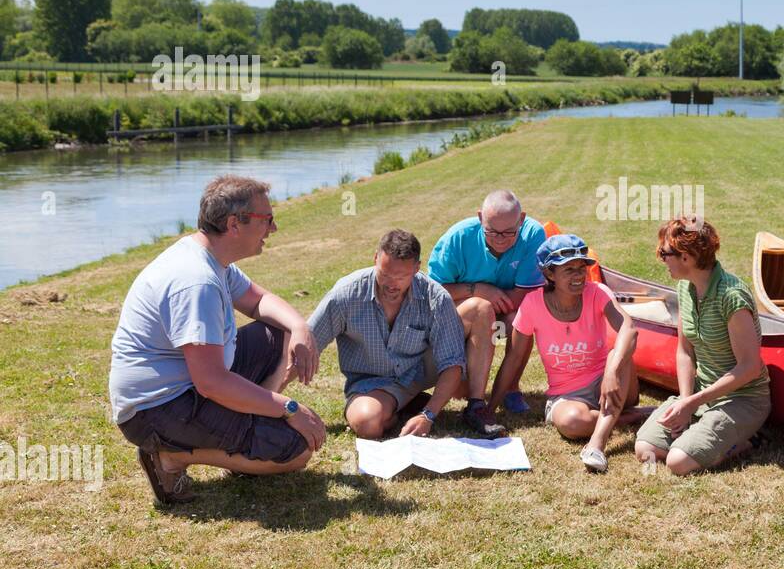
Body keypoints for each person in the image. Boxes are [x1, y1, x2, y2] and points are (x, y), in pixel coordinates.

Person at [110, 175, 325, 506]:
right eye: (266, 220)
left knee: (281, 334)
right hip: (158, 408)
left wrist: (299, 327)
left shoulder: (213, 259)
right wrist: (288, 408)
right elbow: (210, 382)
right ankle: (171, 457)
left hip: (192, 385)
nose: (273, 228)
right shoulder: (197, 282)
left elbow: (257, 301)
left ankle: (250, 427)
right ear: (233, 224)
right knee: (295, 450)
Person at [486, 234, 644, 472]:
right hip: (568, 395)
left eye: (582, 267)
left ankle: (597, 445)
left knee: (616, 356)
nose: (579, 275)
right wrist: (489, 410)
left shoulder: (597, 292)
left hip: (612, 384)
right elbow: (514, 358)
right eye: (569, 269)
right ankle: (633, 416)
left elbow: (628, 329)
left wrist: (611, 372)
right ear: (549, 274)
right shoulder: (532, 305)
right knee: (571, 423)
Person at [634, 217, 771, 475]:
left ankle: (747, 442)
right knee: (645, 449)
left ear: (686, 257)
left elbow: (750, 367)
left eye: (664, 253)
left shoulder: (732, 296)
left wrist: (692, 403)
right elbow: (685, 351)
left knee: (678, 462)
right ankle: (700, 432)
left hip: (742, 399)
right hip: (700, 394)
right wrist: (686, 401)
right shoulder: (685, 288)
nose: (661, 259)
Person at [307, 230, 466, 439]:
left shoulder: (436, 297)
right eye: (385, 274)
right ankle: (399, 407)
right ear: (375, 259)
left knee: (476, 312)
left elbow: (452, 363)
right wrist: (271, 400)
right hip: (373, 383)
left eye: (401, 277)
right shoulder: (346, 294)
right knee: (366, 424)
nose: (392, 284)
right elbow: (307, 344)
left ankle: (474, 407)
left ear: (417, 268)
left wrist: (428, 415)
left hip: (420, 372)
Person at [427, 190, 546, 436]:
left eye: (509, 232)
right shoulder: (457, 238)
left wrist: (491, 305)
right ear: (480, 217)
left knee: (519, 321)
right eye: (492, 231)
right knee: (481, 309)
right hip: (460, 315)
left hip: (506, 308)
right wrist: (478, 290)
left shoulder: (534, 234)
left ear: (521, 219)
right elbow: (434, 294)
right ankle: (473, 393)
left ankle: (509, 388)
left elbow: (526, 295)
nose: (500, 239)